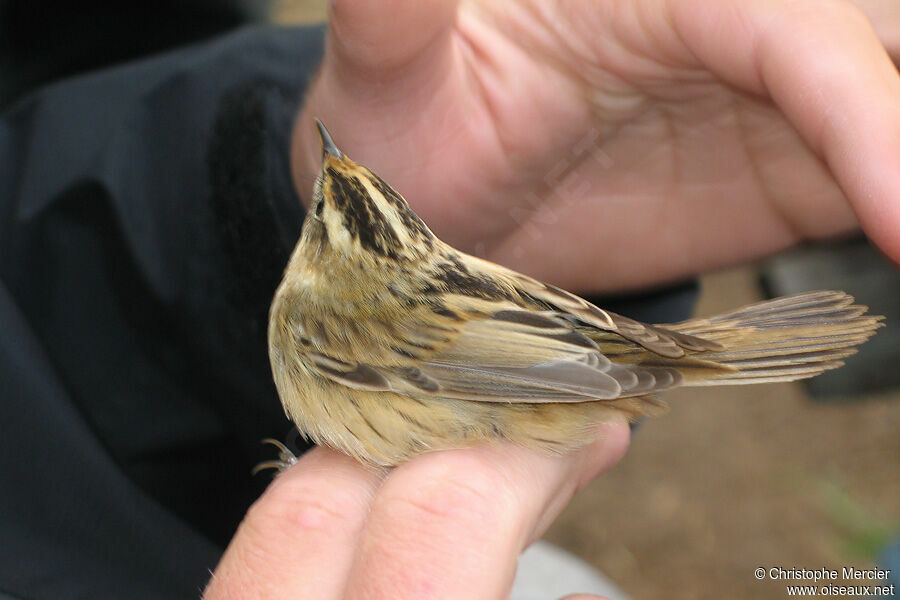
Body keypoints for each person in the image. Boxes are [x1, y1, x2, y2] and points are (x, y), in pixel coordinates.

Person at [1, 2, 898, 599]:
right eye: (318, 202)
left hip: (537, 370)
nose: (318, 194)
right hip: (544, 357)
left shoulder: (311, 316)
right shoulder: (335, 314)